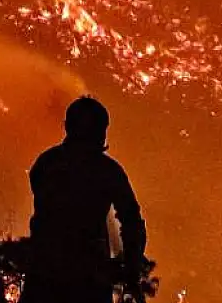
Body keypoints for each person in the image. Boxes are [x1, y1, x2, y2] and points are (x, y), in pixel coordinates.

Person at [22, 96, 147, 303]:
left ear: (67, 126)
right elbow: (131, 221)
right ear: (101, 130)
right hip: (89, 279)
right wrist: (131, 269)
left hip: (43, 274)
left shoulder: (46, 163)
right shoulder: (108, 171)